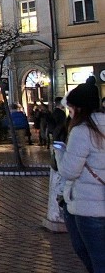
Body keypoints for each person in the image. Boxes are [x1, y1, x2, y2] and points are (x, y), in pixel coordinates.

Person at [56, 78, 104, 273]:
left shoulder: (82, 131)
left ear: (79, 108)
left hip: (89, 206)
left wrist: (59, 153)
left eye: (71, 108)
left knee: (96, 258)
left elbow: (69, 171)